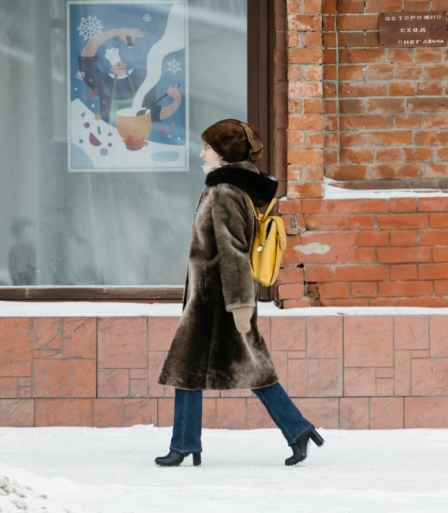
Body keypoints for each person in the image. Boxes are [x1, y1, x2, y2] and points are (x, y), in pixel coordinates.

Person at [155, 120, 323, 467]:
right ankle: (296, 430)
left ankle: (186, 444)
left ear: (224, 153)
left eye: (208, 147)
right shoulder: (232, 188)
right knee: (242, 368)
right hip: (217, 297)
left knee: (198, 368)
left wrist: (240, 304)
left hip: (218, 300)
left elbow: (233, 251)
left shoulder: (225, 191)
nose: (201, 152)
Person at [78, 28, 181, 126]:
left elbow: (154, 113)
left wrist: (177, 99)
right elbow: (86, 59)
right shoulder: (103, 81)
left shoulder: (141, 77)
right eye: (118, 65)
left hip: (138, 137)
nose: (123, 66)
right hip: (109, 138)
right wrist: (117, 32)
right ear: (111, 69)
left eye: (122, 63)